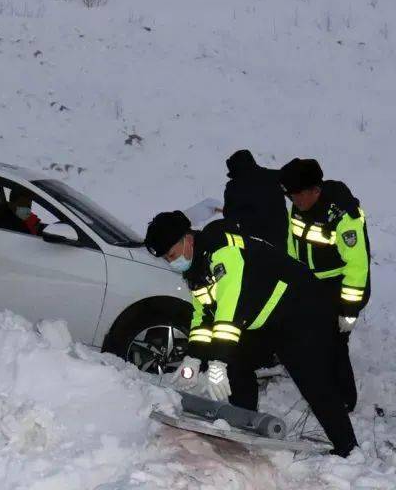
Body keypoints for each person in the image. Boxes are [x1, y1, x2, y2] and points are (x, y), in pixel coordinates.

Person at [144, 210, 358, 457]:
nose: (172, 262)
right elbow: (203, 317)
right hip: (264, 319)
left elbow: (229, 313)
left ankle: (348, 449)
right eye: (167, 259)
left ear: (187, 239)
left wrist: (217, 362)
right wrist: (193, 358)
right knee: (236, 362)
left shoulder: (224, 252)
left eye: (172, 255)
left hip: (301, 311)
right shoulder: (196, 268)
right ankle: (244, 422)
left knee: (312, 380)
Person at [280, 158, 370, 412]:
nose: (294, 201)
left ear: (315, 190)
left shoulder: (342, 215)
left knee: (335, 343)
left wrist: (349, 309)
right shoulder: (298, 206)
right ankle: (328, 391)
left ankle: (344, 401)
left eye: (297, 196)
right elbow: (292, 242)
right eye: (290, 196)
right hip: (313, 284)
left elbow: (357, 265)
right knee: (316, 340)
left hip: (341, 287)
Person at [222, 150, 288, 249]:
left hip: (253, 243)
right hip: (280, 238)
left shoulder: (233, 187)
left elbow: (229, 216)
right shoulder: (274, 177)